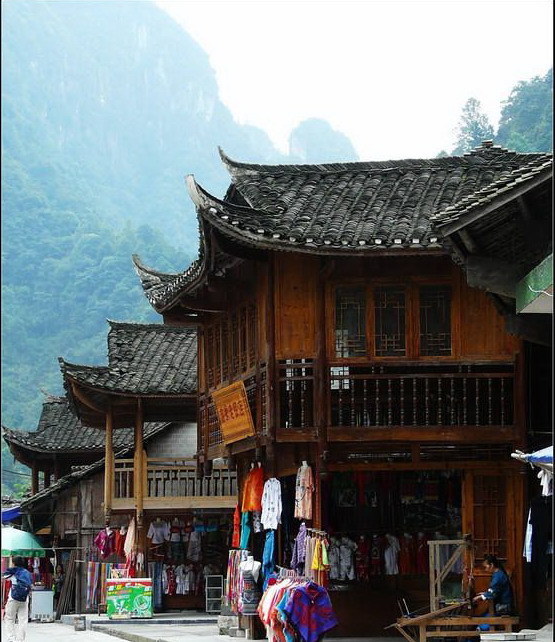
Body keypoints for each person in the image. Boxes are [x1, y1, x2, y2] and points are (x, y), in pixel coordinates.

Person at [3, 556, 33, 642]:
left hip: (13, 598)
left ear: (13, 563)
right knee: (23, 620)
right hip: (24, 599)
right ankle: (20, 640)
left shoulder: (13, 571)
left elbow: (5, 577)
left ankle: (11, 639)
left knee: (9, 618)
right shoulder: (27, 573)